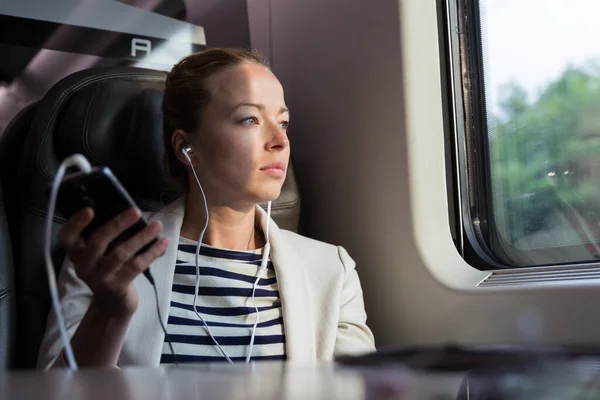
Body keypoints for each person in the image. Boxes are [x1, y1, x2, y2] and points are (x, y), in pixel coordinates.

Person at [37, 47, 375, 369]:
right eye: (249, 120)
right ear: (187, 147)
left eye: (283, 122)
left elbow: (364, 390)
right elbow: (55, 392)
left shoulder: (331, 271)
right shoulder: (111, 257)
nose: (280, 140)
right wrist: (109, 313)